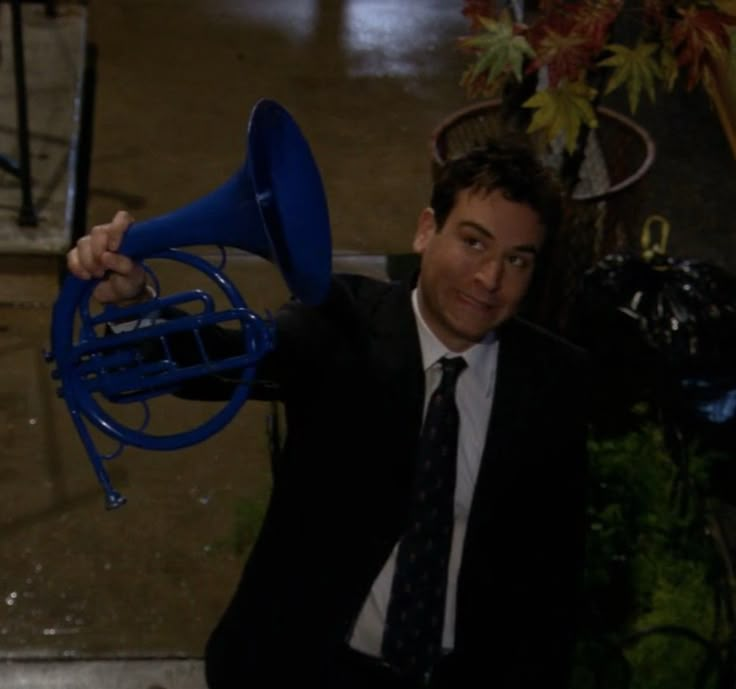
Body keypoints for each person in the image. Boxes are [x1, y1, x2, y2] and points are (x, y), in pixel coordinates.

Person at [66, 139, 590, 689]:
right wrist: (131, 301)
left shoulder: (556, 380)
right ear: (425, 230)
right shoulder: (341, 321)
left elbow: (553, 574)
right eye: (474, 242)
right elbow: (215, 364)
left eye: (517, 260)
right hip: (309, 667)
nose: (490, 279)